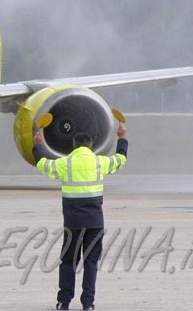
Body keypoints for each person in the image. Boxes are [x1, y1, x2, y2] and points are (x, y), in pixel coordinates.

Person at [32, 122, 128, 311]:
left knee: (68, 261)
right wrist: (122, 137)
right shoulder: (99, 162)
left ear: (74, 146)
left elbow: (43, 165)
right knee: (91, 262)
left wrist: (38, 145)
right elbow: (120, 159)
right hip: (95, 222)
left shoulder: (65, 163)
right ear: (90, 146)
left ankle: (64, 301)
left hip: (73, 223)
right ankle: (88, 303)